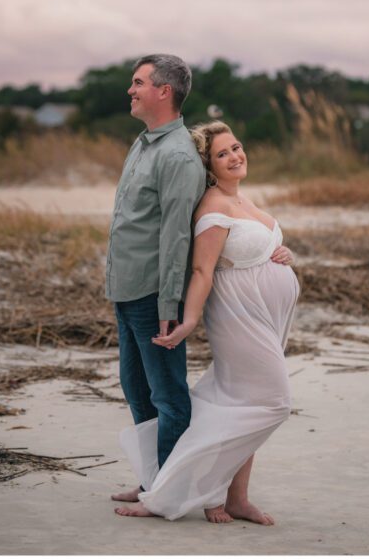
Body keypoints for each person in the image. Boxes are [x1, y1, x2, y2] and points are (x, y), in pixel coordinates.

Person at [115, 121, 299, 523]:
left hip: (268, 318)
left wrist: (282, 253)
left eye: (236, 147)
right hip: (239, 318)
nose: (235, 156)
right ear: (209, 167)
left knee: (242, 401)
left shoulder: (245, 201)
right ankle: (181, 486)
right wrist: (189, 321)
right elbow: (202, 271)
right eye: (222, 154)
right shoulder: (213, 207)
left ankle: (235, 497)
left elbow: (252, 249)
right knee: (273, 403)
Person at [108, 54, 206, 506]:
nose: (131, 90)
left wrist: (170, 308)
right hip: (126, 292)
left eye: (138, 82)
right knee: (137, 390)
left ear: (163, 91)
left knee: (168, 397)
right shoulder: (144, 142)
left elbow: (175, 239)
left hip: (153, 295)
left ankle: (170, 492)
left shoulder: (178, 154)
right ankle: (153, 481)